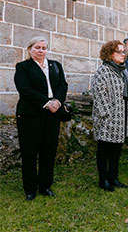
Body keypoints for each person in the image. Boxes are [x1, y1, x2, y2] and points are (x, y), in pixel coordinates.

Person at [14, 36, 68, 200]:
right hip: (30, 115)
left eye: (44, 48)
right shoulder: (23, 67)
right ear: (30, 49)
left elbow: (62, 85)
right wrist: (46, 103)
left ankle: (45, 186)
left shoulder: (55, 66)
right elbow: (25, 89)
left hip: (52, 114)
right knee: (29, 153)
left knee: (48, 151)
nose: (41, 51)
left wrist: (57, 101)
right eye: (37, 47)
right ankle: (30, 189)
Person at [92, 40, 128, 192]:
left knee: (116, 150)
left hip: (121, 117)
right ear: (109, 54)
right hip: (107, 118)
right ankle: (103, 180)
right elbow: (99, 95)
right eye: (119, 52)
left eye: (124, 52)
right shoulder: (104, 71)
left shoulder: (123, 71)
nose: (123, 54)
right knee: (104, 150)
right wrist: (107, 116)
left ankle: (113, 177)